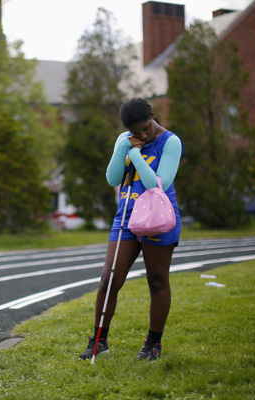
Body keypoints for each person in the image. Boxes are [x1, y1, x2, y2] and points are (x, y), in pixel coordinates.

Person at [79, 98, 183, 361]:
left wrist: (135, 153)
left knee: (157, 280)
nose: (142, 135)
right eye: (136, 132)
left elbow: (157, 184)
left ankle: (153, 344)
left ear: (152, 115)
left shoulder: (170, 142)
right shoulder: (125, 139)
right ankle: (99, 340)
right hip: (126, 217)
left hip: (157, 217)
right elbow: (113, 178)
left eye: (145, 128)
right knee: (109, 278)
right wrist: (124, 146)